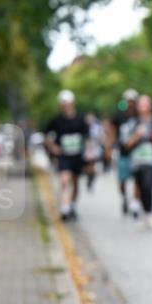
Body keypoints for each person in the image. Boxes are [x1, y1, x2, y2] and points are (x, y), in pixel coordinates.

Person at [121, 95, 152, 230]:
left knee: (148, 185)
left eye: (146, 104)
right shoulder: (132, 123)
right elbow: (125, 144)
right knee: (142, 187)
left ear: (150, 106)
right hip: (136, 161)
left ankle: (150, 215)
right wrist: (137, 135)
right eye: (141, 104)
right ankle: (146, 215)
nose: (143, 107)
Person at [44, 90, 89, 222]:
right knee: (64, 180)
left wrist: (87, 151)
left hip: (77, 156)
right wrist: (53, 147)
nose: (65, 105)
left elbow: (87, 137)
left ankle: (72, 205)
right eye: (63, 103)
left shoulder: (80, 119)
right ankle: (64, 208)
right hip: (64, 156)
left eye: (67, 103)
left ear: (72, 103)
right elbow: (46, 135)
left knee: (75, 183)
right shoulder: (56, 120)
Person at [105, 89, 138, 216]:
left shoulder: (139, 116)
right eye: (128, 101)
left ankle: (135, 203)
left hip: (137, 153)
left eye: (132, 101)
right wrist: (108, 148)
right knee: (122, 180)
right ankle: (125, 198)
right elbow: (112, 134)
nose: (130, 104)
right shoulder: (118, 116)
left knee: (138, 179)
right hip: (122, 152)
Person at [82, 112, 103, 193]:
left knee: (92, 166)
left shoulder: (97, 127)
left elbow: (101, 138)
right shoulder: (84, 127)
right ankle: (89, 178)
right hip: (85, 150)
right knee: (87, 168)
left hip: (95, 149)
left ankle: (91, 181)